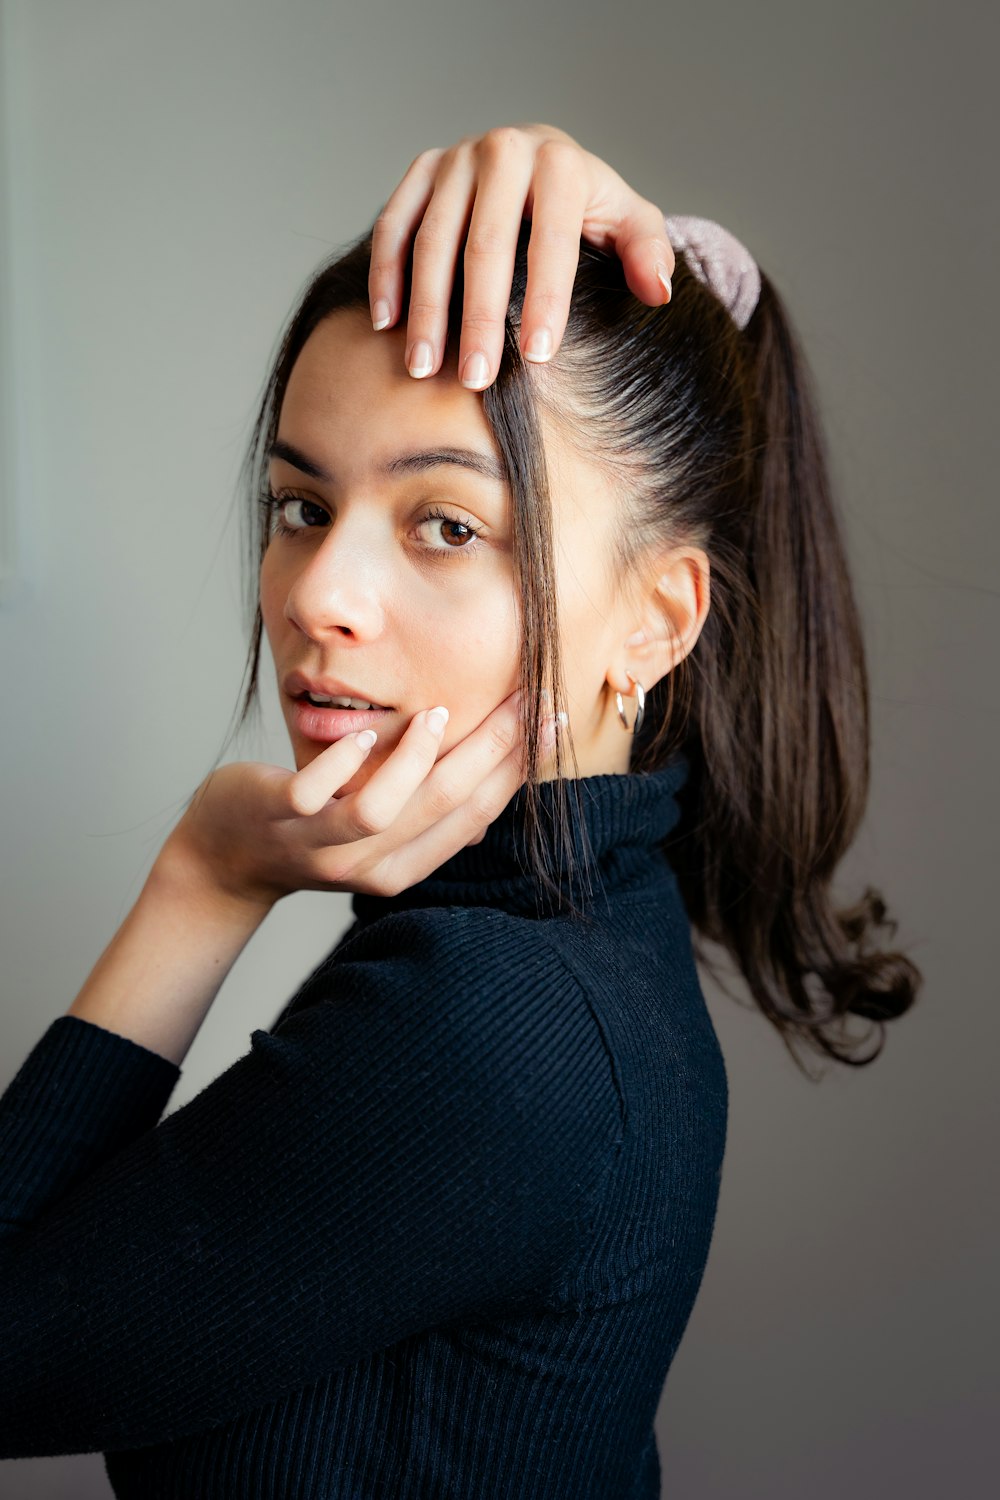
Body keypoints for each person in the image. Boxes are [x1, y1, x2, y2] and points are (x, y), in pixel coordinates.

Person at [0, 123, 921, 1496]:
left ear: (657, 620)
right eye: (301, 506)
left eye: (445, 525)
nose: (318, 597)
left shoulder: (496, 1024)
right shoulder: (564, 922)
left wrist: (206, 876)